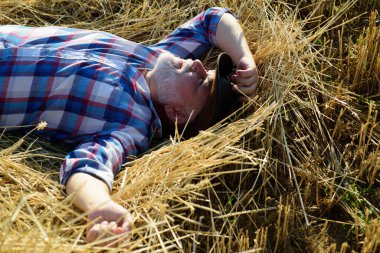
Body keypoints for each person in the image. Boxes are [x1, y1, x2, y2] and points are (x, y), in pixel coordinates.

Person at [0, 7, 258, 244]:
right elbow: (210, 20)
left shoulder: (132, 125)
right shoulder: (160, 57)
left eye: (201, 81)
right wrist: (244, 59)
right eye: (207, 70)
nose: (199, 65)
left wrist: (99, 207)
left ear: (177, 113)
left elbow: (88, 166)